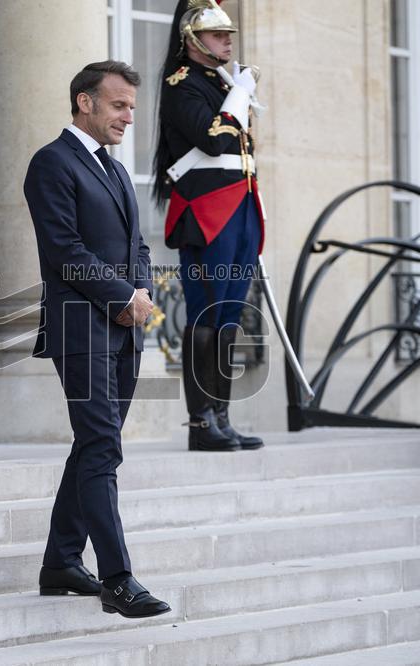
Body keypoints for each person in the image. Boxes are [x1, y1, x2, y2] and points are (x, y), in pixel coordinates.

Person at [23, 61, 170, 619]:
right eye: (118, 105)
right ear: (85, 102)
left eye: (131, 106)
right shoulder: (52, 162)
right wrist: (123, 296)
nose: (129, 116)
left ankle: (61, 562)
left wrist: (142, 290)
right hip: (80, 330)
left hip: (123, 331)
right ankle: (117, 579)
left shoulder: (115, 169)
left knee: (93, 446)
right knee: (103, 447)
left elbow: (137, 245)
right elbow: (64, 251)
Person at [152, 0, 265, 452]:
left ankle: (221, 417)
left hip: (241, 208)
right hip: (206, 212)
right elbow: (215, 141)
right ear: (193, 41)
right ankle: (200, 424)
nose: (227, 41)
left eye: (228, 34)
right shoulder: (183, 85)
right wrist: (239, 95)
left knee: (230, 314)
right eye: (218, 35)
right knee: (207, 313)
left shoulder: (221, 84)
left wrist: (236, 91)